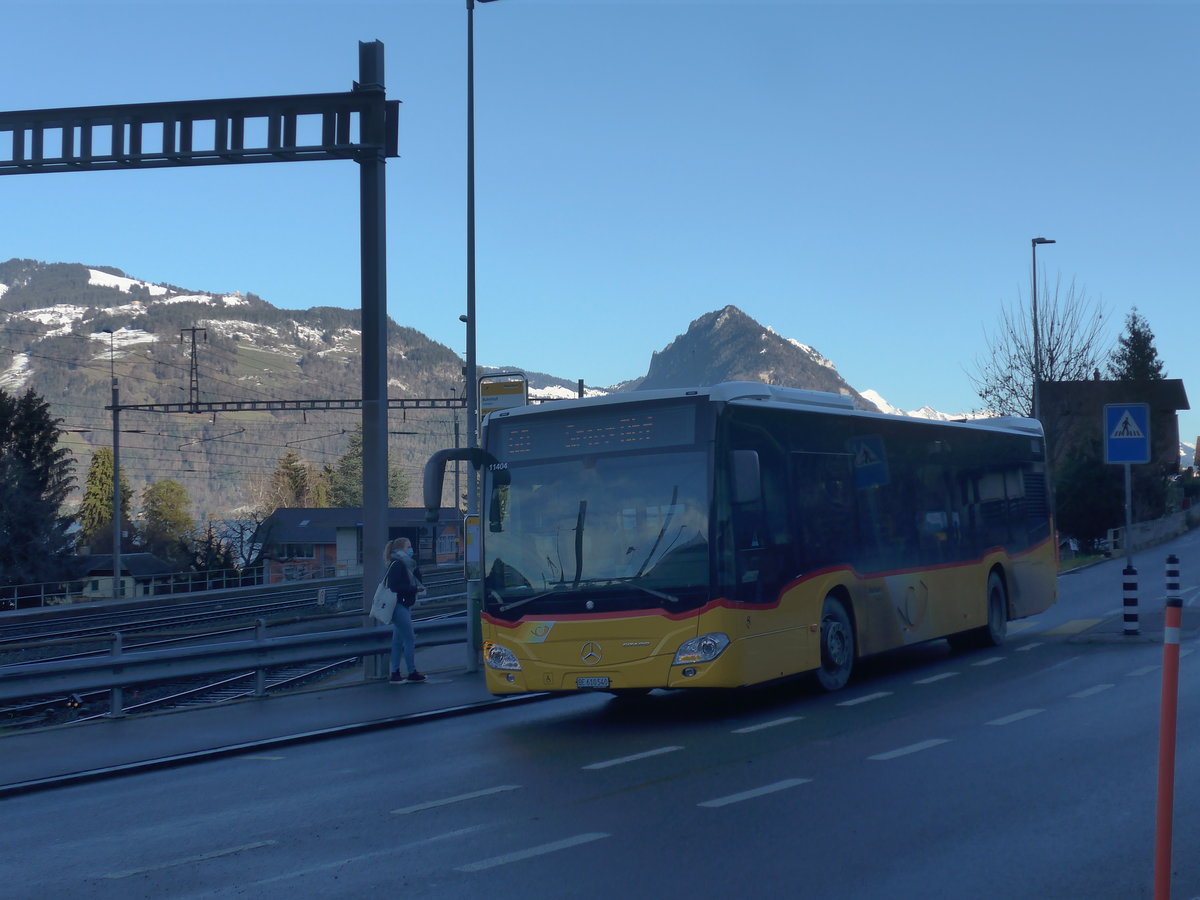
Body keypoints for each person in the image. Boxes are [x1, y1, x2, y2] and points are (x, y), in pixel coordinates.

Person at [384, 536, 426, 683]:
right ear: (402, 548)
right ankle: (411, 671)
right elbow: (394, 586)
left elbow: (415, 578)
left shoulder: (406, 564)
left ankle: (395, 673)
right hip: (399, 605)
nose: (411, 549)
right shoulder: (397, 564)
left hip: (403, 605)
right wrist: (414, 588)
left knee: (397, 640)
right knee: (409, 639)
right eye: (409, 546)